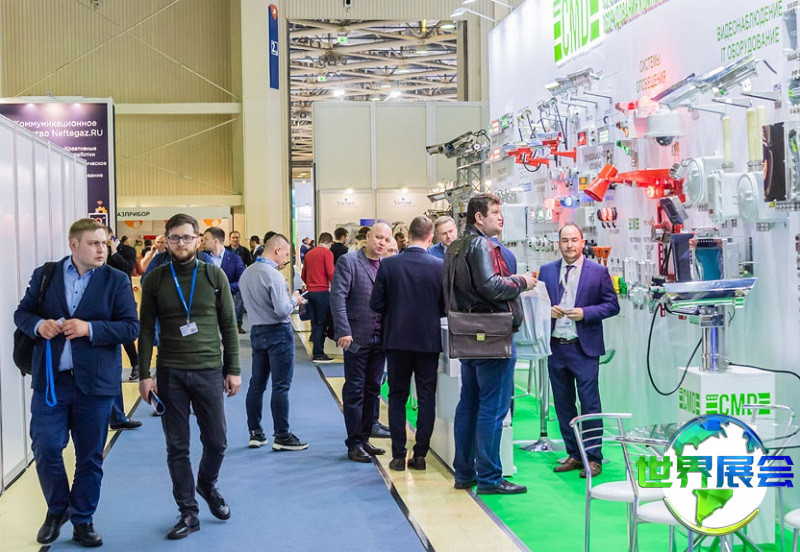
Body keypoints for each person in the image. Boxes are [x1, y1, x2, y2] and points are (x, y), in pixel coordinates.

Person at [14, 218, 139, 547]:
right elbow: (22, 313)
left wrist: (90, 329)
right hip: (51, 382)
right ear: (74, 245)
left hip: (96, 385)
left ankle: (83, 519)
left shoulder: (116, 280)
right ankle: (58, 510)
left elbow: (130, 327)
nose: (102, 250)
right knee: (46, 447)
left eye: (104, 243)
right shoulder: (46, 275)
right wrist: (38, 325)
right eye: (94, 243)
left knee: (90, 456)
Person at [138, 213, 241, 540]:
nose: (181, 243)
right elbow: (145, 329)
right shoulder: (155, 280)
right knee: (177, 446)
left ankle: (206, 484)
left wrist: (234, 369)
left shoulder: (214, 275)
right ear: (166, 241)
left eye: (187, 237)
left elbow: (229, 326)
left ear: (199, 240)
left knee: (217, 441)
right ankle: (188, 512)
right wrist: (144, 374)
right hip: (171, 373)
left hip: (209, 370)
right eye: (175, 238)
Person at [445, 193, 536, 495]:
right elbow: (491, 286)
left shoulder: (455, 246)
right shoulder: (483, 245)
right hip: (493, 336)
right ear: (478, 217)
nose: (501, 216)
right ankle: (490, 478)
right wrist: (521, 281)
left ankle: (464, 472)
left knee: (469, 404)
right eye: (495, 212)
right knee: (493, 409)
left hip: (469, 335)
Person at [538, 223, 620, 479]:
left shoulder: (598, 272)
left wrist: (586, 313)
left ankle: (593, 457)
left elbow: (612, 305)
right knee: (563, 403)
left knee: (589, 404)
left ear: (583, 242)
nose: (570, 245)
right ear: (558, 244)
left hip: (583, 348)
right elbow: (536, 303)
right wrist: (546, 310)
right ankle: (574, 454)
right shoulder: (547, 271)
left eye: (574, 240)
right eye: (565, 240)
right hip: (556, 346)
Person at [370, 216, 444, 472]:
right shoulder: (439, 266)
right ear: (430, 237)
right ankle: (420, 454)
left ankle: (398, 455)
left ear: (408, 235)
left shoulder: (389, 265)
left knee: (397, 397)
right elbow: (446, 306)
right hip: (428, 341)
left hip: (397, 340)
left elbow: (376, 304)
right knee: (426, 398)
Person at [240, 233, 309, 451]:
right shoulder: (274, 276)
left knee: (256, 384)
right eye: (286, 254)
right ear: (277, 250)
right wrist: (295, 299)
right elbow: (282, 310)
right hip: (278, 332)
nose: (286, 259)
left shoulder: (247, 273)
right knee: (281, 386)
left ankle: (255, 433)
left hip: (257, 331)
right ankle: (282, 435)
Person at [330, 222, 392, 462]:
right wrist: (343, 330)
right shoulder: (349, 262)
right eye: (378, 237)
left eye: (386, 239)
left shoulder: (387, 265)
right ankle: (354, 444)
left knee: (373, 388)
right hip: (356, 337)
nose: (382, 243)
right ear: (368, 236)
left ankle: (365, 438)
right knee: (355, 389)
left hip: (381, 338)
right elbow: (338, 297)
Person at [103, 228, 143, 430]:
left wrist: (113, 251)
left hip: (121, 303)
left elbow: (127, 268)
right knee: (110, 365)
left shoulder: (126, 251)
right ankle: (115, 416)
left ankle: (117, 416)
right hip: (102, 309)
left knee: (124, 344)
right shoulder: (94, 255)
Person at [203, 227, 246, 334]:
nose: (203, 241)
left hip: (227, 303)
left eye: (206, 239)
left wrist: (224, 288)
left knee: (229, 335)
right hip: (205, 306)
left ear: (215, 241)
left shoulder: (235, 259)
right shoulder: (201, 258)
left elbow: (242, 281)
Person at [301, 232, 335, 363]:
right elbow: (331, 272)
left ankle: (315, 350)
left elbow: (303, 274)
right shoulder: (327, 253)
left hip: (310, 292)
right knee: (322, 323)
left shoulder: (309, 253)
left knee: (314, 323)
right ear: (329, 242)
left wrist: (310, 284)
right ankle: (319, 353)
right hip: (322, 292)